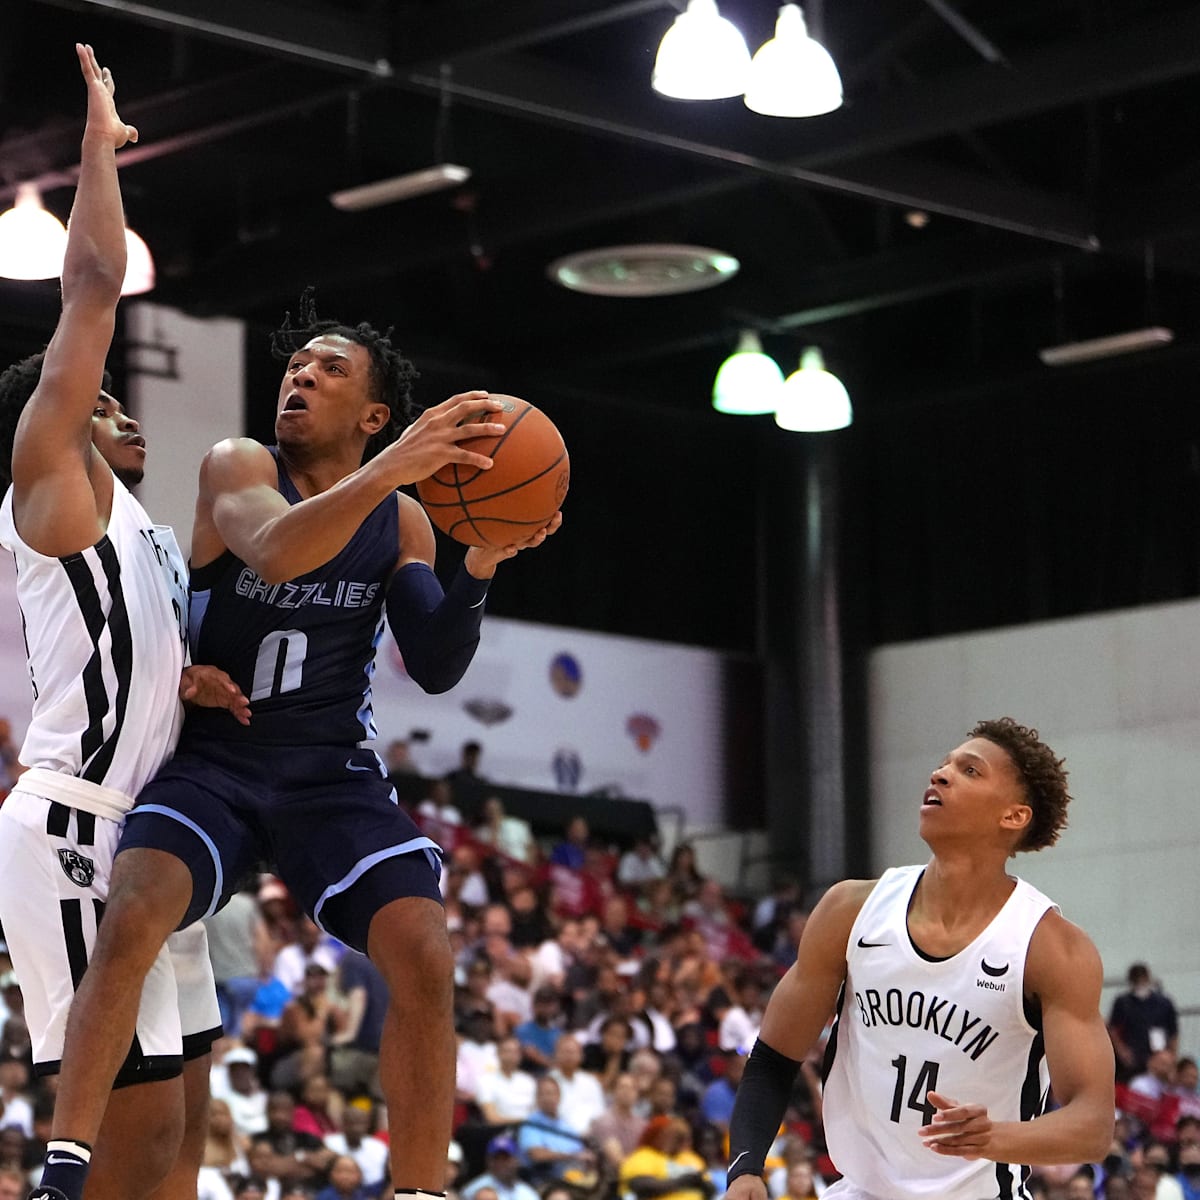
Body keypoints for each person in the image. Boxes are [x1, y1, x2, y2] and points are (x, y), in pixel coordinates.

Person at [37, 279, 560, 1200]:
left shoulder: (401, 517)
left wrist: (478, 564)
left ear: (375, 412)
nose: (301, 378)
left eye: (328, 369)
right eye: (294, 366)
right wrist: (393, 469)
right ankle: (62, 1168)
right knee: (135, 908)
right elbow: (274, 550)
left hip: (330, 776)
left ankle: (421, 1190)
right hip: (218, 764)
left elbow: (435, 662)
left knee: (426, 952)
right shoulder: (238, 465)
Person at [0, 45, 248, 1200]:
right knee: (127, 1147)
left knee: (186, 1132)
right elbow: (92, 287)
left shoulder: (137, 524)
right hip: (74, 830)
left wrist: (188, 676)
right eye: (95, 399)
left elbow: (140, 646)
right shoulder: (53, 485)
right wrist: (98, 147)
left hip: (154, 839)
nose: (117, 406)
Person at [723, 718, 1115, 1200]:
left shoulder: (1049, 948)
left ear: (1013, 816)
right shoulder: (851, 910)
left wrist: (994, 1138)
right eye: (943, 764)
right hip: (860, 1191)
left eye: (969, 770)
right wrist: (744, 1169)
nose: (940, 774)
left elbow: (1093, 1126)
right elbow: (772, 1059)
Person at [1109, 965, 1179, 1084]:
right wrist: (1122, 1051)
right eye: (1137, 980)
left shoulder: (1163, 1002)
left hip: (1158, 1051)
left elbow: (1173, 1032)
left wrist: (1171, 1056)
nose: (1141, 983)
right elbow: (1113, 1029)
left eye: (1143, 979)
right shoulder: (1123, 1003)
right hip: (1134, 1054)